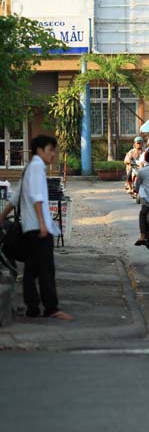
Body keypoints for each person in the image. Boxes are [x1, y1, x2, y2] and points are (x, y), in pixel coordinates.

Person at [0, 135, 71, 320]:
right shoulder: (38, 167)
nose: (53, 155)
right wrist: (42, 224)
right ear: (39, 150)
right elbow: (37, 197)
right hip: (39, 228)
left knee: (32, 270)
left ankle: (32, 308)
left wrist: (1, 218)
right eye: (50, 150)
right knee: (46, 269)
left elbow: (15, 198)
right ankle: (51, 308)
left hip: (29, 228)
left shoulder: (28, 168)